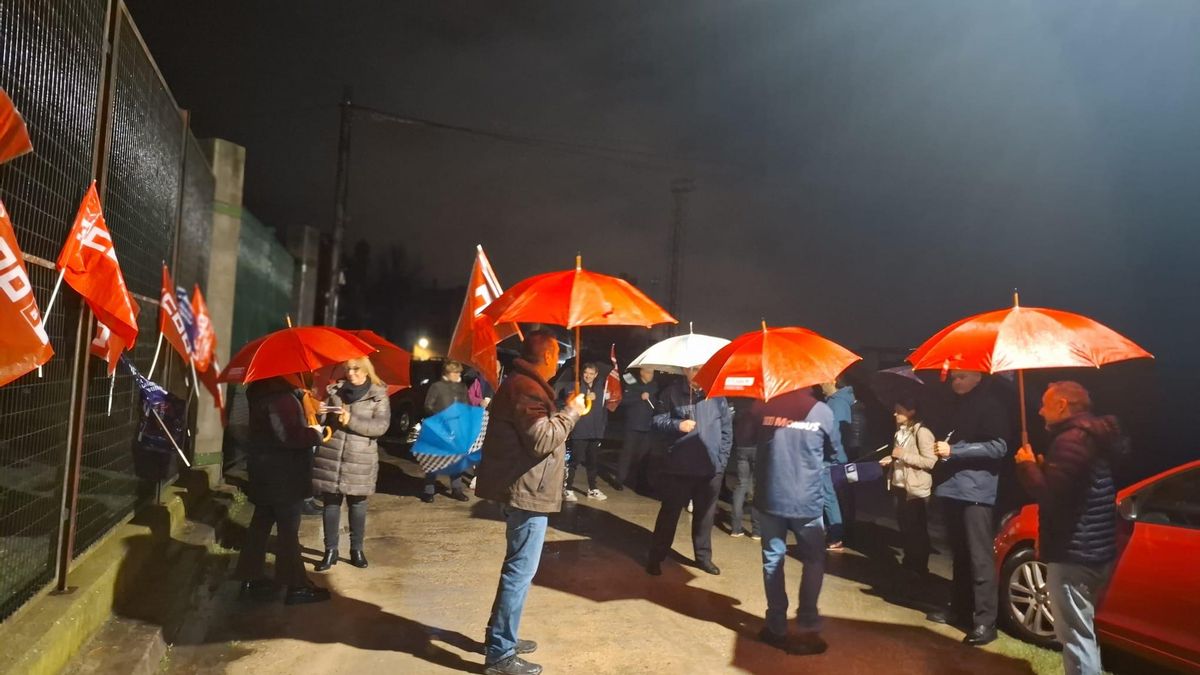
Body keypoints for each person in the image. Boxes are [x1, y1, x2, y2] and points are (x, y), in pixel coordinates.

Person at [475, 330, 585, 675]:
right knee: (520, 571)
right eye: (557, 355)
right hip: (527, 494)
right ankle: (500, 653)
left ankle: (500, 636)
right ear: (549, 357)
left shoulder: (527, 385)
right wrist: (571, 412)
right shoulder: (526, 387)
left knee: (517, 568)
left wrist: (566, 410)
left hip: (525, 488)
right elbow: (541, 440)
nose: (561, 361)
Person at [1015, 382, 1123, 675]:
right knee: (1084, 630)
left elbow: (1051, 498)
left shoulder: (1071, 441)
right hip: (1097, 549)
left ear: (1062, 405)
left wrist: (1027, 467)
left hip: (1075, 553)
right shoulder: (1092, 437)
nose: (1039, 410)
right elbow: (1075, 489)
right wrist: (1046, 467)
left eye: (1045, 403)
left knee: (1075, 637)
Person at [751, 386, 838, 655]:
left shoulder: (763, 407)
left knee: (773, 558)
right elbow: (835, 453)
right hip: (807, 500)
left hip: (771, 496)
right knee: (813, 559)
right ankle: (808, 623)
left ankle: (776, 626)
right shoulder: (822, 411)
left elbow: (745, 437)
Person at [927, 370, 1010, 646]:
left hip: (977, 492)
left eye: (961, 377)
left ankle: (986, 622)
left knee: (979, 557)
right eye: (954, 378)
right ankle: (960, 609)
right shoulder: (957, 404)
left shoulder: (991, 406)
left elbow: (998, 447)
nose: (955, 381)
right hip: (954, 487)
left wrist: (955, 451)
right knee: (960, 554)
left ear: (977, 377)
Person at [234, 377, 331, 605]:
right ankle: (296, 586)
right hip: (283, 475)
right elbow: (289, 436)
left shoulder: (261, 393)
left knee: (260, 526)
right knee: (288, 532)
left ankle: (251, 578)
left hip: (265, 472)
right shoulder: (281, 399)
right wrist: (315, 433)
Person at [645, 367, 732, 576]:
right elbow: (656, 421)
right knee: (669, 515)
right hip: (679, 468)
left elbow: (727, 430)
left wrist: (721, 462)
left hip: (710, 470)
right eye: (695, 369)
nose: (699, 373)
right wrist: (677, 424)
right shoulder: (671, 393)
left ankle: (703, 558)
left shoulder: (717, 395)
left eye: (702, 368)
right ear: (686, 371)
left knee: (705, 517)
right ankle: (656, 557)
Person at [311, 357, 391, 571]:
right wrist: (318, 413)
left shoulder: (378, 395)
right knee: (331, 504)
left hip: (360, 458)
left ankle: (356, 550)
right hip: (332, 454)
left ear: (366, 370)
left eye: (356, 369)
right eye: (348, 369)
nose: (351, 373)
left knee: (358, 505)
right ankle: (330, 551)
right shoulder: (334, 392)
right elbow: (323, 422)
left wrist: (351, 421)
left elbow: (380, 426)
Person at [878, 396, 937, 583]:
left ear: (911, 411)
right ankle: (909, 562)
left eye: (899, 410)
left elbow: (930, 461)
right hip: (899, 485)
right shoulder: (900, 431)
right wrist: (892, 459)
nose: (895, 413)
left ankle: (919, 567)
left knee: (917, 529)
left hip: (916, 489)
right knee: (905, 527)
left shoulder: (923, 432)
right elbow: (899, 456)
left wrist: (903, 454)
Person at [558, 363, 609, 501]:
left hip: (595, 431)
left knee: (593, 462)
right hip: (580, 430)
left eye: (591, 374)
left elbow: (605, 410)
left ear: (596, 375)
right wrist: (584, 397)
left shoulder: (602, 389)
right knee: (575, 461)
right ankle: (567, 489)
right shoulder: (573, 386)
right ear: (582, 373)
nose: (588, 376)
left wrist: (602, 429)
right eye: (586, 373)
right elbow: (566, 403)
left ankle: (593, 489)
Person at [423, 360, 471, 503]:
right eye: (455, 372)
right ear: (446, 373)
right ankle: (428, 490)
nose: (458, 375)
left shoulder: (462, 387)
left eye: (459, 372)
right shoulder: (437, 387)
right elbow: (428, 406)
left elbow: (466, 405)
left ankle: (456, 489)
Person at [817, 382, 852, 550]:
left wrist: (833, 456)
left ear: (833, 380)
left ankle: (836, 536)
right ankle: (833, 532)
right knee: (830, 496)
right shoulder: (835, 401)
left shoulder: (837, 403)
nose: (819, 384)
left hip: (831, 458)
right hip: (832, 456)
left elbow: (834, 433)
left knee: (828, 496)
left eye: (822, 380)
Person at [615, 366, 658, 493]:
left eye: (652, 373)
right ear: (642, 373)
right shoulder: (632, 383)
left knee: (644, 456)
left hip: (647, 425)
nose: (651, 375)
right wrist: (640, 397)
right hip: (632, 425)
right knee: (627, 454)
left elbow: (656, 403)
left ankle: (641, 482)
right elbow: (623, 401)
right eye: (649, 372)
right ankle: (620, 479)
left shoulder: (654, 386)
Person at [729, 398, 760, 539]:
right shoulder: (761, 402)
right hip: (757, 447)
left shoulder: (738, 401)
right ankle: (757, 530)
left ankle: (735, 528)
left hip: (741, 447)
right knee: (758, 488)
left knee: (741, 485)